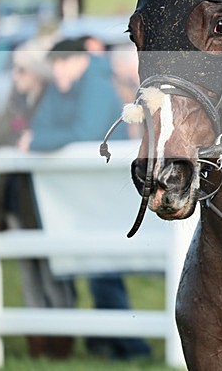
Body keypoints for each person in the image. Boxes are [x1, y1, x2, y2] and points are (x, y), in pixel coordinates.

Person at [18, 37, 151, 360]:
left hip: (104, 193)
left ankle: (131, 346)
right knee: (98, 270)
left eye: (61, 64)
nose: (57, 73)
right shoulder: (69, 86)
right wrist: (39, 136)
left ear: (79, 60)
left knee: (103, 270)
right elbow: (45, 124)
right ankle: (114, 343)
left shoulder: (97, 87)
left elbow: (85, 133)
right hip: (84, 194)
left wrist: (36, 142)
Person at [0, 38, 77, 359]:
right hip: (17, 201)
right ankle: (38, 344)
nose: (16, 75)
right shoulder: (18, 101)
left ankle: (61, 344)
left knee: (54, 272)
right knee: (30, 274)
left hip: (46, 201)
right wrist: (15, 124)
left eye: (22, 69)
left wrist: (22, 131)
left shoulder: (49, 100)